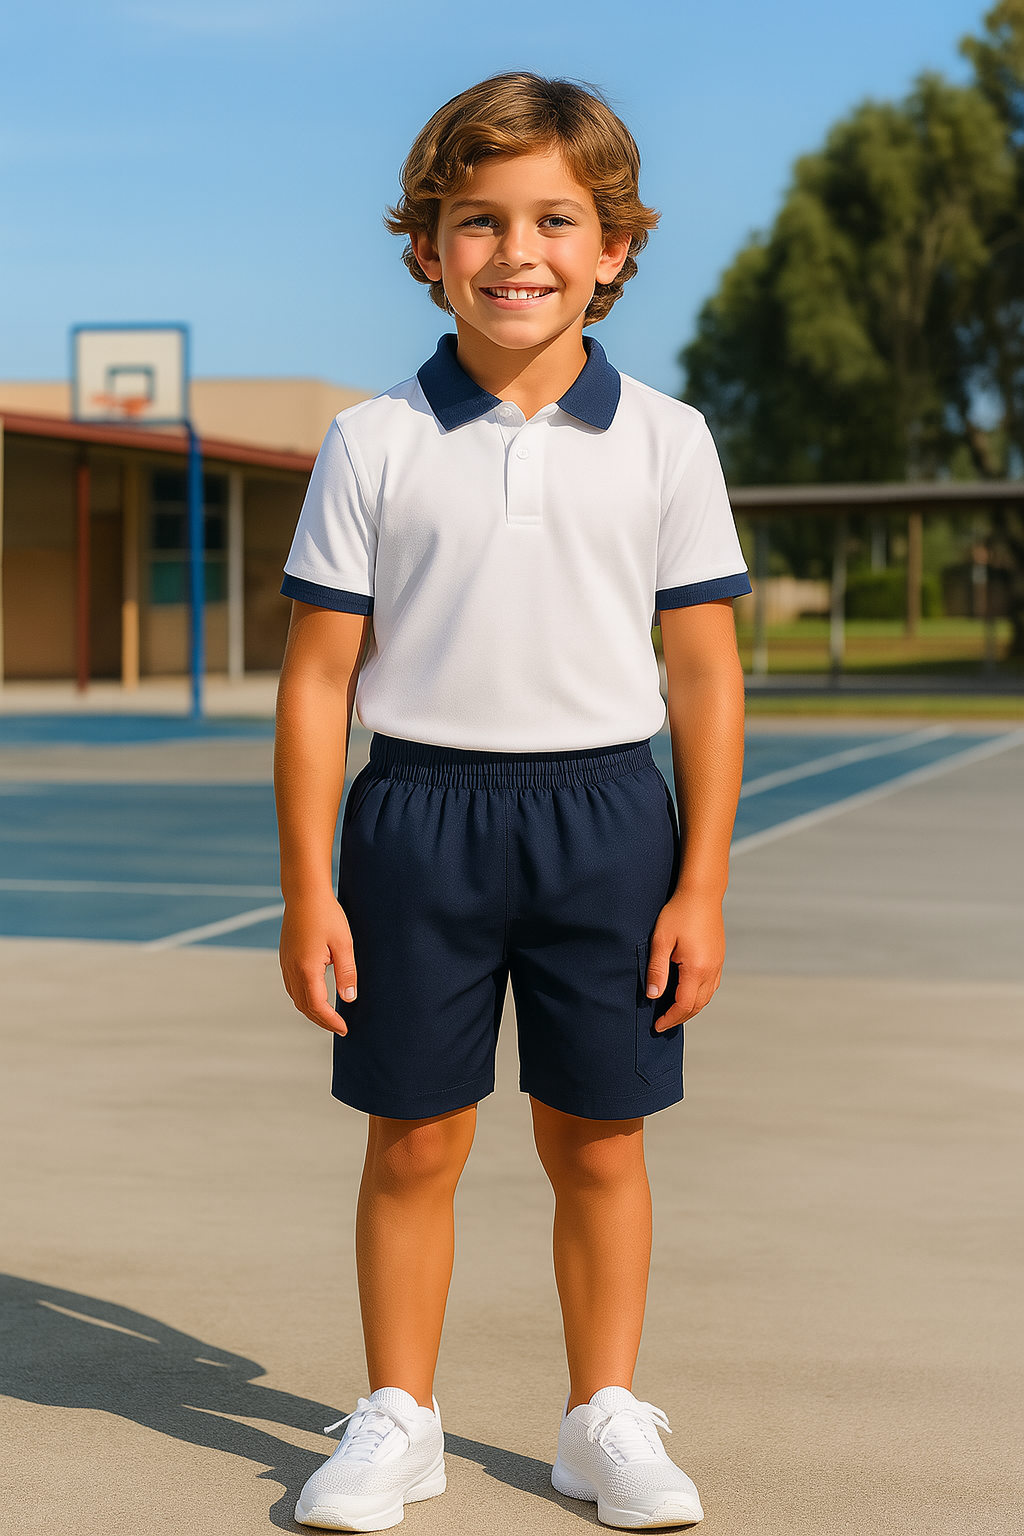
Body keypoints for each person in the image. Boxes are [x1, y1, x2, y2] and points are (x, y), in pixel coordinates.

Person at [274, 72, 749, 1533]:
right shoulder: (373, 441)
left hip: (609, 822)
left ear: (615, 247)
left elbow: (707, 677)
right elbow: (313, 686)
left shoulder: (668, 440)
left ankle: (602, 1415)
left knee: (596, 1133)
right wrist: (308, 892)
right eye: (478, 222)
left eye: (557, 219)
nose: (517, 251)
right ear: (428, 247)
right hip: (416, 820)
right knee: (415, 1135)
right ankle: (399, 1417)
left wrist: (702, 884)